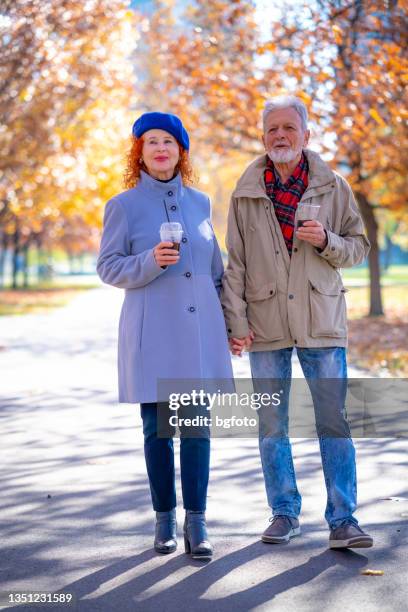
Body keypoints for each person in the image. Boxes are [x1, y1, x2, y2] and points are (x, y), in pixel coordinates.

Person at [221, 95, 374, 549]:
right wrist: (236, 320)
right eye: (272, 130)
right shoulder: (245, 192)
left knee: (333, 421)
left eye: (289, 128)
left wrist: (327, 240)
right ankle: (284, 512)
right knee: (272, 425)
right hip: (265, 323)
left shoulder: (334, 187)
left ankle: (343, 519)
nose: (281, 136)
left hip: (320, 320)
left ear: (306, 135)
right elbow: (236, 263)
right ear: (264, 137)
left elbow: (358, 246)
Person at [97, 111, 233, 559]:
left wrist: (231, 326)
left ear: (181, 151)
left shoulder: (200, 203)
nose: (160, 149)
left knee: (197, 431)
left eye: (168, 142)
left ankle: (197, 522)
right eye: (151, 141)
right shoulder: (123, 206)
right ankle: (164, 520)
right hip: (152, 335)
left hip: (198, 337)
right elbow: (108, 267)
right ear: (140, 152)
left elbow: (216, 273)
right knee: (158, 432)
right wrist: (151, 260)